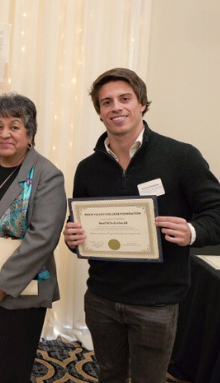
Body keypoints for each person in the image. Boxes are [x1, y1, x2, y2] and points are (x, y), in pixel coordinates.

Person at [63, 68, 220, 382]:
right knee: (109, 374)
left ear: (142, 104)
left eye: (125, 98)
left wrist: (191, 232)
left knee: (149, 378)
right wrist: (72, 236)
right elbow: (79, 223)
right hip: (102, 297)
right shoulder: (88, 168)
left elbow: (216, 213)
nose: (116, 107)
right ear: (99, 112)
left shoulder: (181, 157)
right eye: (106, 102)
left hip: (156, 302)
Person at [0, 93, 66, 382]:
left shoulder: (47, 175)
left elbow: (43, 238)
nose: (4, 134)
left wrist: (3, 285)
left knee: (10, 370)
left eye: (14, 126)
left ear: (30, 133)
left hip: (17, 292)